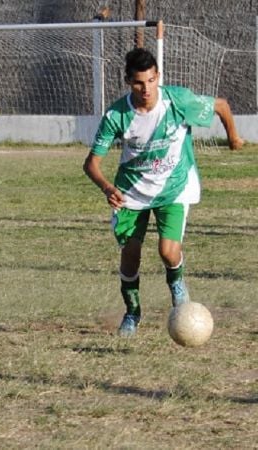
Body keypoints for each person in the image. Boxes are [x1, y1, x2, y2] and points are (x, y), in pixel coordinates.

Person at [83, 48, 243, 337]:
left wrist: (232, 136)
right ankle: (132, 313)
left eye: (151, 80)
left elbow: (221, 105)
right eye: (138, 83)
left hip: (174, 188)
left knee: (168, 252)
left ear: (158, 77)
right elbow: (91, 164)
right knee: (130, 255)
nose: (146, 89)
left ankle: (177, 286)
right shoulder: (116, 115)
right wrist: (107, 186)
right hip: (131, 193)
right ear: (127, 81)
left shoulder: (177, 101)